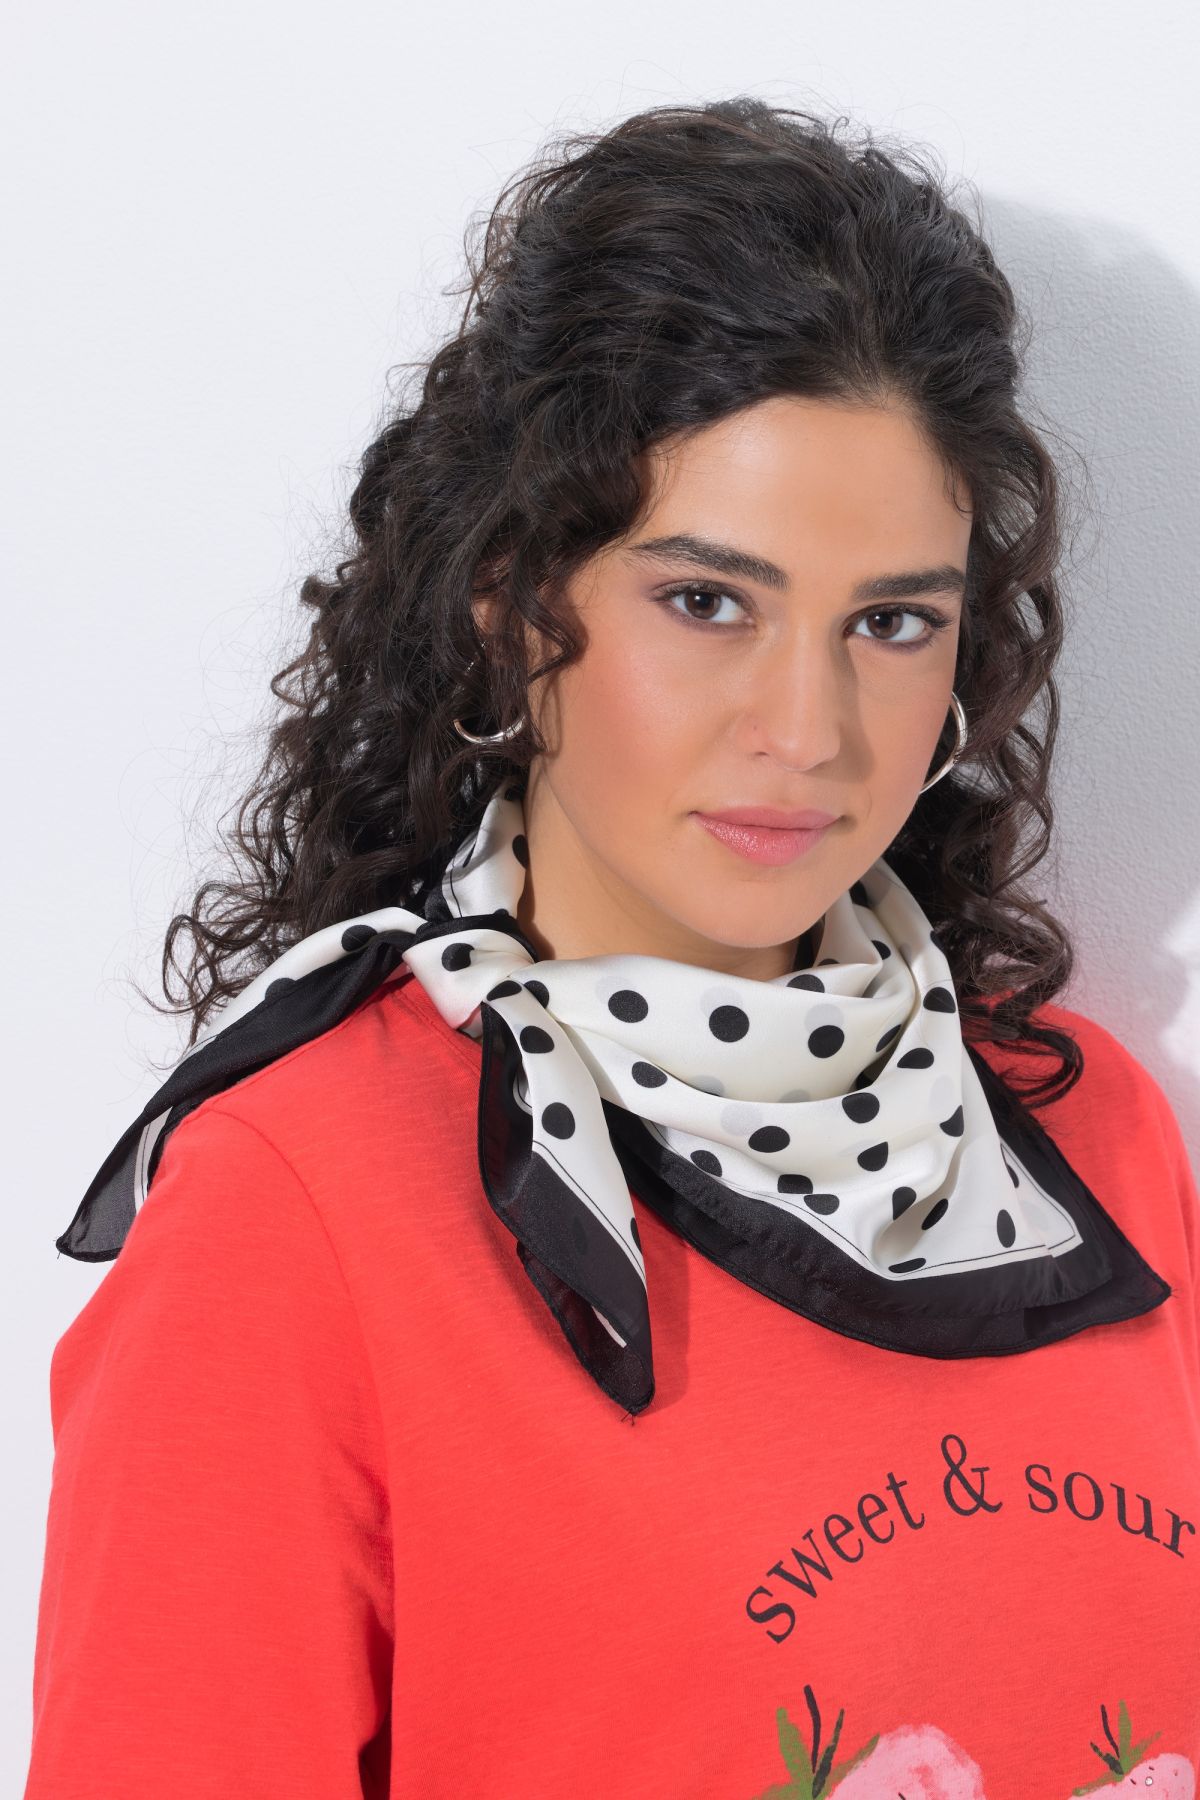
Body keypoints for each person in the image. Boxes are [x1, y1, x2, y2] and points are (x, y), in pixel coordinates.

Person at [23, 97, 1200, 1800]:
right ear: (515, 599)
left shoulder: (1088, 1137)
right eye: (707, 601)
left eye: (890, 622)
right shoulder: (298, 1205)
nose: (807, 730)